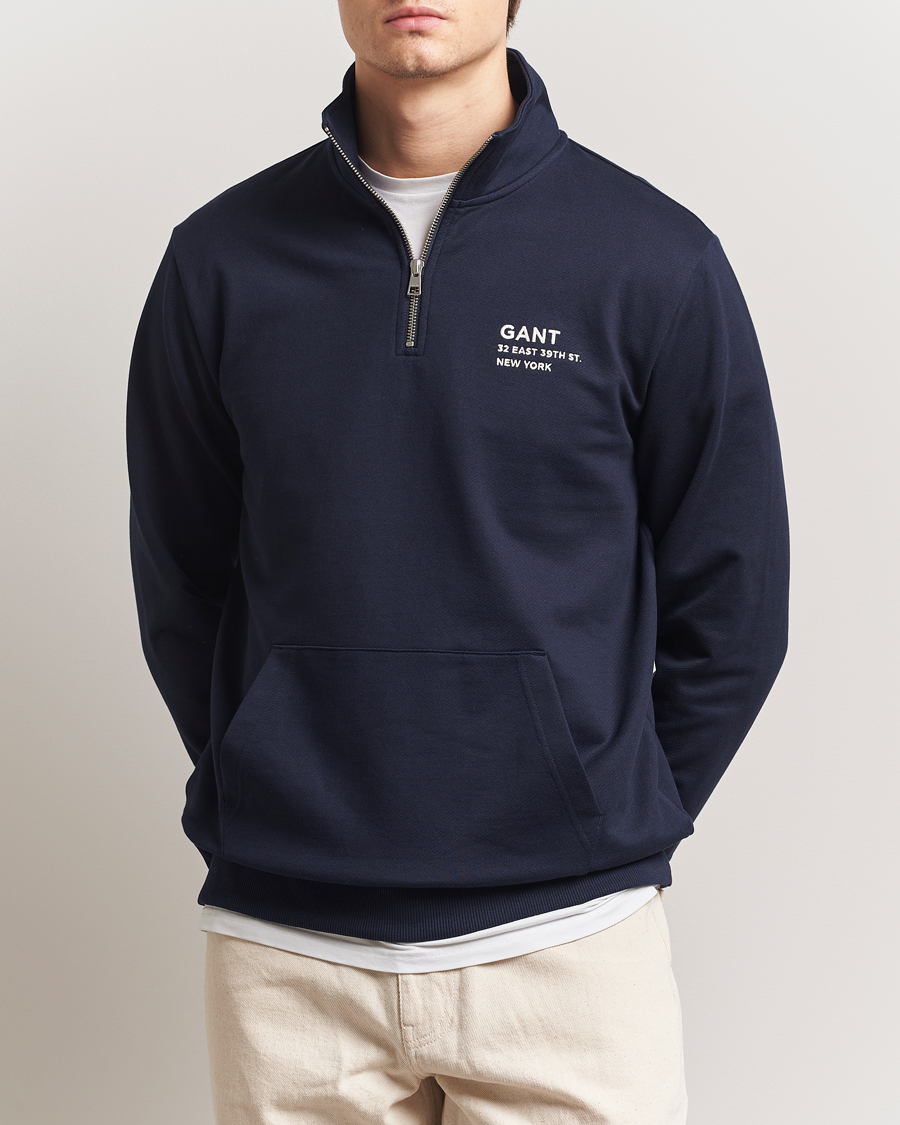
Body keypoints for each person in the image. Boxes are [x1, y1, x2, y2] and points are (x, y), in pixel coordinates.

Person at [126, 1, 789, 1121]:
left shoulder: (654, 258)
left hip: (568, 949)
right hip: (290, 959)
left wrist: (602, 813)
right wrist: (269, 763)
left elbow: (736, 600)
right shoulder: (219, 260)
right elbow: (181, 575)